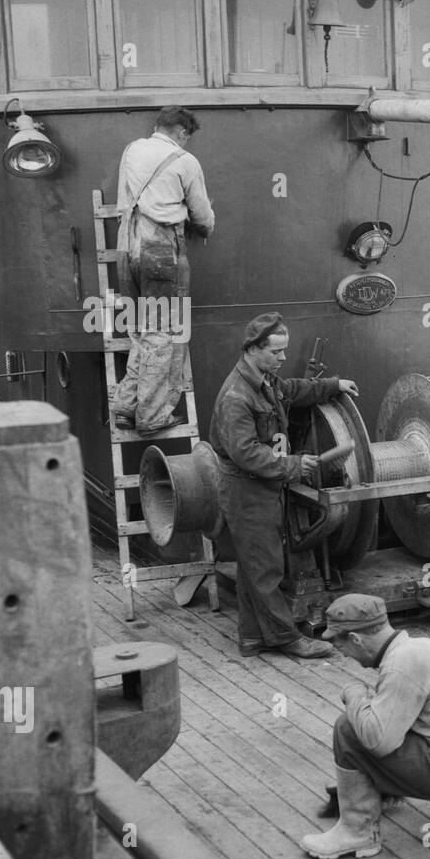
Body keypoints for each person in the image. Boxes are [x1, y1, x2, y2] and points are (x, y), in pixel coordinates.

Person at [301, 594, 430, 859]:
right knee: (380, 718)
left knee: (349, 729)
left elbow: (378, 742)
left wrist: (355, 696)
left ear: (356, 639)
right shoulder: (418, 646)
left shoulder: (402, 665)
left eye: (341, 645)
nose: (344, 654)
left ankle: (358, 832)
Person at [210, 313, 359, 660]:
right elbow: (245, 453)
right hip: (247, 489)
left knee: (253, 564)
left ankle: (251, 637)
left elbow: (292, 390)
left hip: (263, 486)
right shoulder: (236, 397)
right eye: (276, 352)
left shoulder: (265, 380)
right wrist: (293, 465)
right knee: (267, 568)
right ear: (252, 349)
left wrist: (333, 385)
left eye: (284, 351)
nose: (282, 359)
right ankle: (284, 638)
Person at [109, 107, 216, 434]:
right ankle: (152, 415)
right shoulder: (184, 160)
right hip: (159, 250)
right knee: (162, 333)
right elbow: (202, 214)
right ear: (182, 132)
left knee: (141, 329)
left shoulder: (132, 150)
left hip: (126, 246)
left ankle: (127, 405)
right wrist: (206, 228)